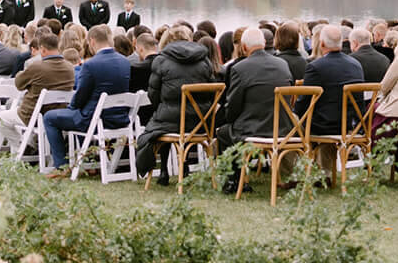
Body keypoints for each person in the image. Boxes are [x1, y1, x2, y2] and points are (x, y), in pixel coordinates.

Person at [43, 25, 130, 173]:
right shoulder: (124, 62)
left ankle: (61, 166)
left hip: (93, 120)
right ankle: (90, 161)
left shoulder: (90, 65)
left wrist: (71, 107)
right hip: (119, 118)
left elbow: (80, 97)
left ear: (92, 41)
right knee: (78, 114)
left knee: (49, 117)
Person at [216, 27, 293, 190]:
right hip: (283, 129)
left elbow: (233, 107)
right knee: (232, 129)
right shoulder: (283, 64)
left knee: (224, 132)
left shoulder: (240, 68)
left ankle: (234, 181)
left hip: (254, 130)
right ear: (264, 44)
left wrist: (230, 118)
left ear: (243, 47)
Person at [134, 34, 216, 184]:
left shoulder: (161, 61)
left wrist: (163, 106)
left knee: (161, 123)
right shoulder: (204, 61)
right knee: (172, 120)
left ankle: (164, 170)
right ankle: (183, 166)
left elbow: (153, 94)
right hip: (201, 122)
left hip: (171, 121)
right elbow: (211, 92)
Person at [0, 28, 75, 153]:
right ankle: (29, 145)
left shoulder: (37, 66)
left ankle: (22, 146)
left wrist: (24, 76)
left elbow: (18, 84)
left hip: (31, 114)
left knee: (1, 119)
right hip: (59, 113)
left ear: (42, 49)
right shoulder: (69, 67)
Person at [299, 24, 364, 141]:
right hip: (352, 126)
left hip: (324, 127)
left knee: (293, 123)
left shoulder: (315, 67)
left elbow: (304, 102)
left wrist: (294, 114)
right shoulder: (356, 64)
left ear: (322, 43)